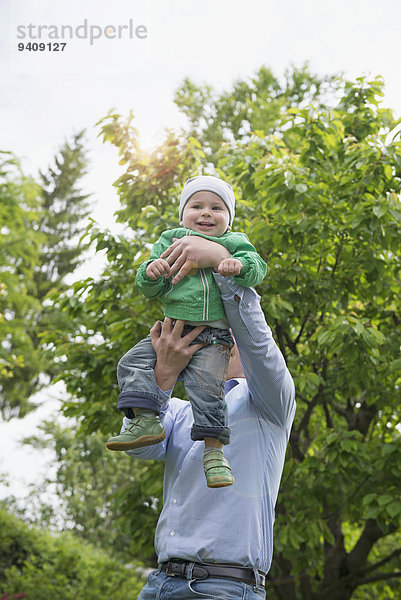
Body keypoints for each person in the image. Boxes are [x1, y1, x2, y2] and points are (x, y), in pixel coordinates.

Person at [117, 235, 296, 600]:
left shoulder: (270, 404)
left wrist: (221, 259)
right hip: (159, 583)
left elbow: (254, 335)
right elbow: (139, 449)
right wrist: (164, 377)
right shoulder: (183, 412)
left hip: (224, 586)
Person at [106, 175, 267, 489]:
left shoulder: (234, 243)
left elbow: (257, 266)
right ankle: (145, 419)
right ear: (182, 216)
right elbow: (149, 286)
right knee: (131, 362)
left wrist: (238, 265)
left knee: (207, 392)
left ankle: (214, 454)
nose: (206, 213)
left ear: (229, 221)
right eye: (197, 206)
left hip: (213, 337)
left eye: (216, 208)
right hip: (171, 330)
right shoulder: (171, 240)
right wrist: (151, 272)